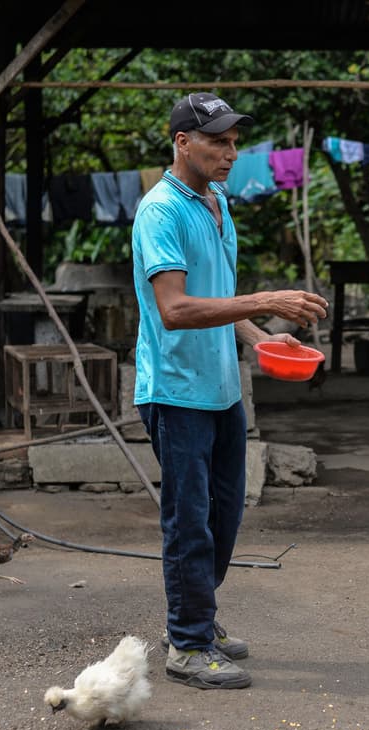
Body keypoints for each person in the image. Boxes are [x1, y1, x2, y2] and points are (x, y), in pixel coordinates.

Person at [131, 93, 328, 689]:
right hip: (175, 391)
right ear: (182, 142)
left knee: (224, 517)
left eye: (234, 142)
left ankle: (195, 618)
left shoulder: (217, 204)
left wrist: (262, 337)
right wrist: (265, 299)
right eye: (217, 141)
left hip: (221, 389)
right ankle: (187, 644)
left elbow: (216, 301)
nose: (231, 153)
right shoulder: (161, 211)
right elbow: (175, 309)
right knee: (189, 522)